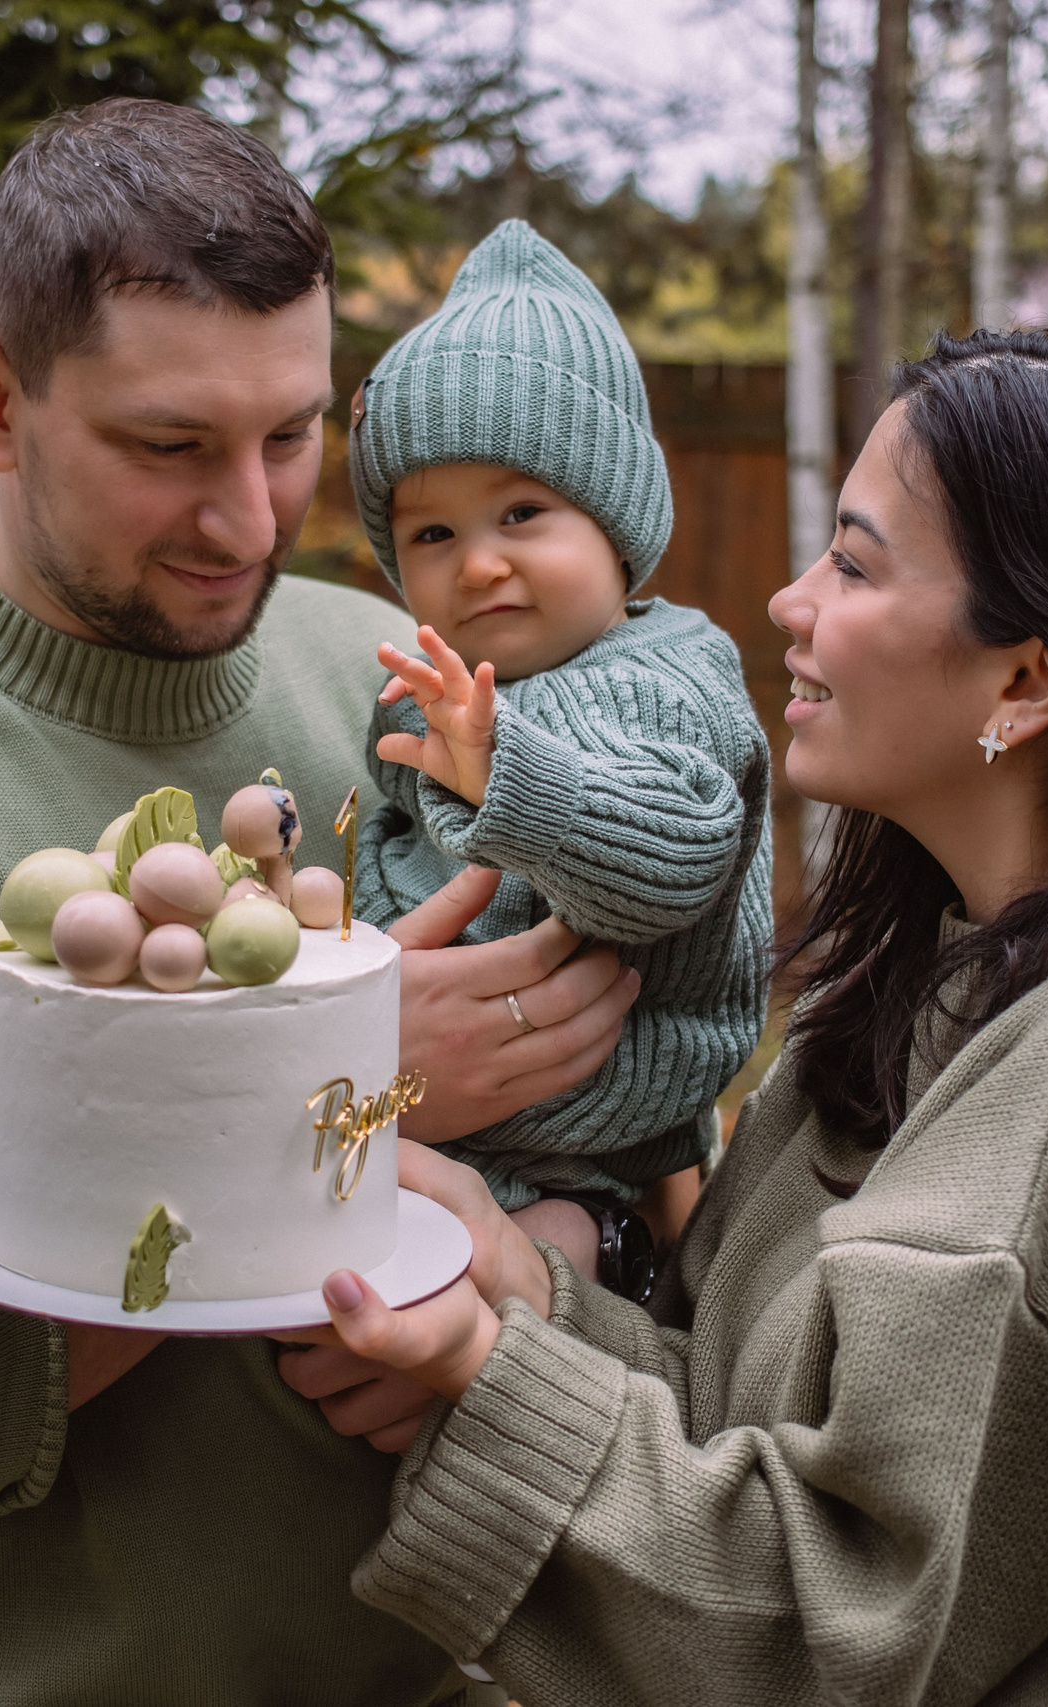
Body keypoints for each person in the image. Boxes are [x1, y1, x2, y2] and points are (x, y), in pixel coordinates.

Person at [0, 99, 635, 1706]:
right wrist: (325, 1094)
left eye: (293, 435)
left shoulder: (388, 676)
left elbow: (642, 1156)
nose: (250, 519)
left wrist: (536, 1279)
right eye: (171, 447)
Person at [294, 332, 1048, 1703]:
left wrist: (485, 1369)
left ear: (1025, 680)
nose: (786, 599)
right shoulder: (922, 992)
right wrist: (520, 1284)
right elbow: (734, 1410)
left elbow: (836, 1624)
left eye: (855, 562)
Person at [347, 221, 772, 1291]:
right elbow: (391, 853)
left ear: (616, 522)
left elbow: (676, 855)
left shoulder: (662, 677)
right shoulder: (432, 684)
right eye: (431, 535)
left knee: (527, 1278)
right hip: (420, 1115)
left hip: (585, 1153)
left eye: (522, 513)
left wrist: (510, 780)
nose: (479, 562)